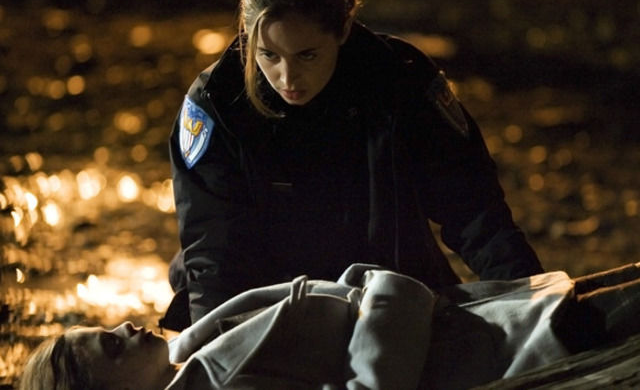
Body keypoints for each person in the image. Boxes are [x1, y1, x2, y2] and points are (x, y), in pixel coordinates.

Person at [163, 0, 544, 331]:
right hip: (266, 305)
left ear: (343, 28)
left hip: (389, 289)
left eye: (307, 55)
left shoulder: (399, 80)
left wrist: (535, 303)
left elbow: (475, 210)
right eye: (269, 55)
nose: (287, 77)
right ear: (248, 34)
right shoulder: (217, 104)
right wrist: (217, 344)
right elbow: (214, 254)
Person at [20, 263, 640, 390]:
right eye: (112, 345)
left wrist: (362, 286)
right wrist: (386, 297)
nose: (128, 324)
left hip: (503, 315)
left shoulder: (191, 349)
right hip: (510, 349)